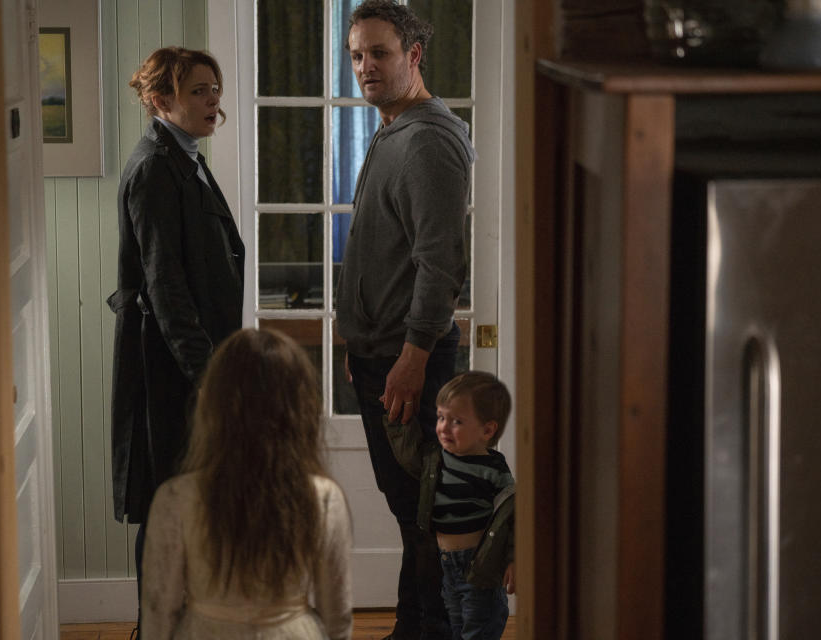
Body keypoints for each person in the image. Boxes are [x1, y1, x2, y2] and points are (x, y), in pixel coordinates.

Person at [335, 1, 475, 638]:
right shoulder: (394, 126)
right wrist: (354, 338)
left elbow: (440, 266)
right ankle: (410, 630)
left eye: (378, 53)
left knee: (428, 515)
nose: (364, 67)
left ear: (414, 56)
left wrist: (413, 358)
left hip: (408, 360)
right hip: (382, 354)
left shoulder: (425, 140)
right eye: (357, 55)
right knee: (410, 513)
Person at [106, 46, 245, 624]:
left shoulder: (184, 154)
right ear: (160, 100)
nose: (214, 100)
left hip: (191, 365)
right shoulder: (153, 167)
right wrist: (207, 376)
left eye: (215, 88)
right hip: (171, 372)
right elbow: (165, 287)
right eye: (198, 91)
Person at [140, 328, 353, 640]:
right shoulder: (323, 497)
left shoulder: (175, 498)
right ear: (300, 408)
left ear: (213, 403)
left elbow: (159, 611)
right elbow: (337, 615)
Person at [384, 372, 515, 640]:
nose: (443, 427)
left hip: (480, 567)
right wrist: (397, 422)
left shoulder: (493, 469)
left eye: (456, 421)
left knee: (480, 626)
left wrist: (514, 559)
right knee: (456, 626)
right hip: (446, 565)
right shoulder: (436, 458)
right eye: (441, 417)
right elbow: (409, 456)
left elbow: (512, 517)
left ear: (487, 430)